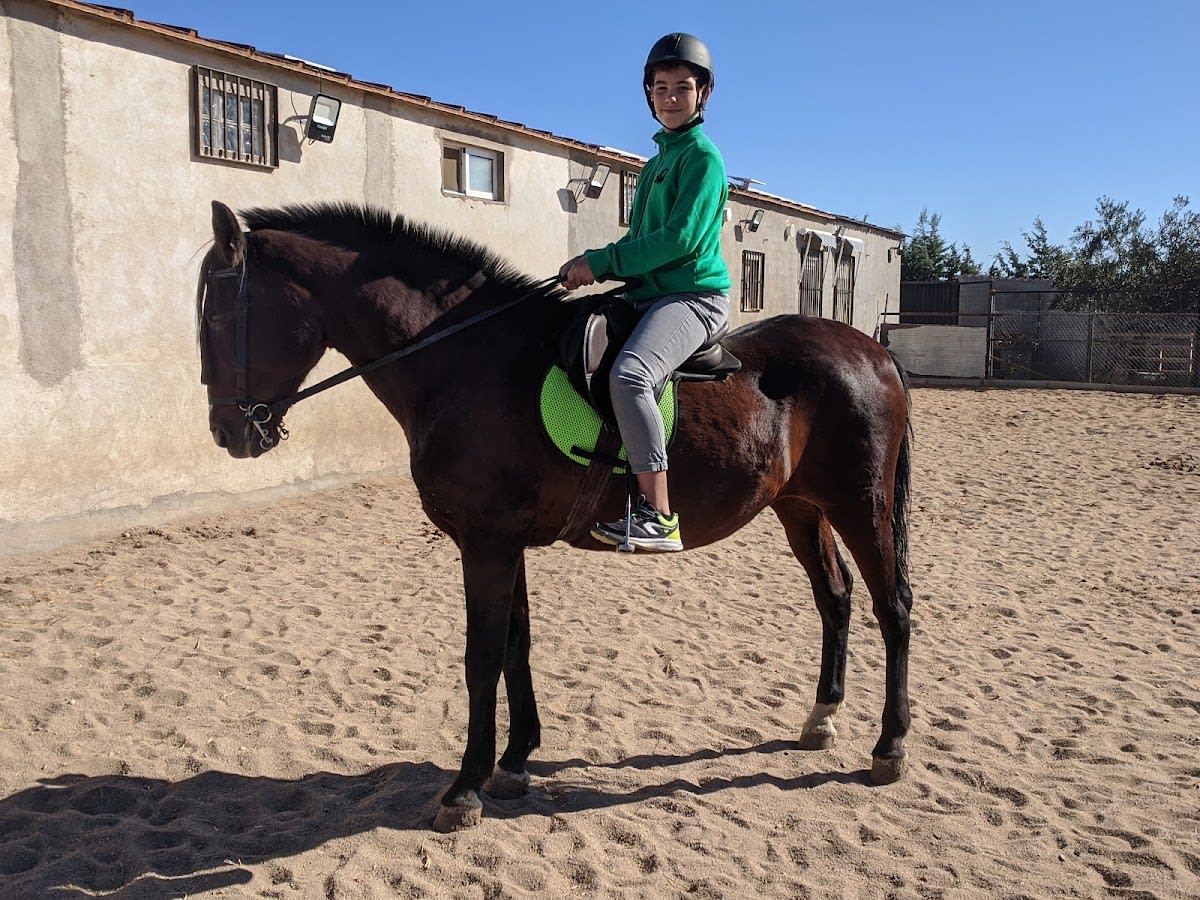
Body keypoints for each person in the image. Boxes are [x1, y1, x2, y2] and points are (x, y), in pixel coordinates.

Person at [559, 32, 731, 553]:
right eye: (661, 88)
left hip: (691, 298)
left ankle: (659, 518)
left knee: (631, 374)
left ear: (703, 94)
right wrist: (594, 262)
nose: (671, 97)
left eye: (683, 87)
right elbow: (639, 241)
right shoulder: (656, 163)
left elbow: (678, 241)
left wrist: (603, 263)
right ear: (649, 95)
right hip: (647, 294)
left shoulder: (702, 159)